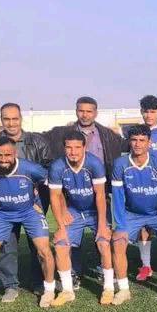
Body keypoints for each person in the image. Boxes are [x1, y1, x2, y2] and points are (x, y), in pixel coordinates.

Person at [43, 96, 125, 287]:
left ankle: (104, 272)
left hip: (98, 191)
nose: (85, 114)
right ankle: (73, 273)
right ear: (76, 111)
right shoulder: (62, 133)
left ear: (95, 113)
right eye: (81, 110)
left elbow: (132, 144)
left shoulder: (107, 134)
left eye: (89, 111)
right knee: (68, 239)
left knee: (104, 237)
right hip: (72, 195)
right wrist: (2, 136)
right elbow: (38, 137)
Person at [0, 136, 55, 312]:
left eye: (7, 155)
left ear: (15, 153)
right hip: (1, 214)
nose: (3, 159)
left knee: (44, 250)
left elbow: (54, 186)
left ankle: (49, 290)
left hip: (29, 211)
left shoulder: (30, 168)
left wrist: (39, 201)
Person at [0, 102, 51, 302]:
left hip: (33, 202)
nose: (11, 123)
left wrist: (37, 189)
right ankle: (10, 285)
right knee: (7, 244)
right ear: (1, 120)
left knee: (38, 243)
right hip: (3, 204)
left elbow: (48, 169)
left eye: (14, 118)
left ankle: (39, 282)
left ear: (21, 118)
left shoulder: (37, 141)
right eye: (6, 119)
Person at [110, 125, 157, 304]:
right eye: (134, 140)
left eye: (142, 140)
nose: (138, 144)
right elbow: (118, 198)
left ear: (149, 142)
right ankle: (124, 290)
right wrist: (121, 226)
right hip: (132, 214)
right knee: (118, 243)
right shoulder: (120, 164)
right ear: (129, 141)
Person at [48, 131, 112, 306]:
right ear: (64, 148)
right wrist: (61, 226)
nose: (73, 151)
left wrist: (102, 225)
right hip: (74, 210)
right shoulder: (57, 166)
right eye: (69, 147)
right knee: (60, 246)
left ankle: (108, 288)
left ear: (84, 147)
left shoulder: (94, 163)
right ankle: (67, 291)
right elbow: (55, 196)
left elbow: (100, 195)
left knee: (104, 242)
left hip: (95, 210)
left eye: (77, 147)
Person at [123, 95, 157, 281]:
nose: (149, 115)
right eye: (146, 111)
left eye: (152, 111)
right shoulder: (135, 132)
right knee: (143, 226)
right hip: (141, 185)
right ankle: (146, 265)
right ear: (141, 112)